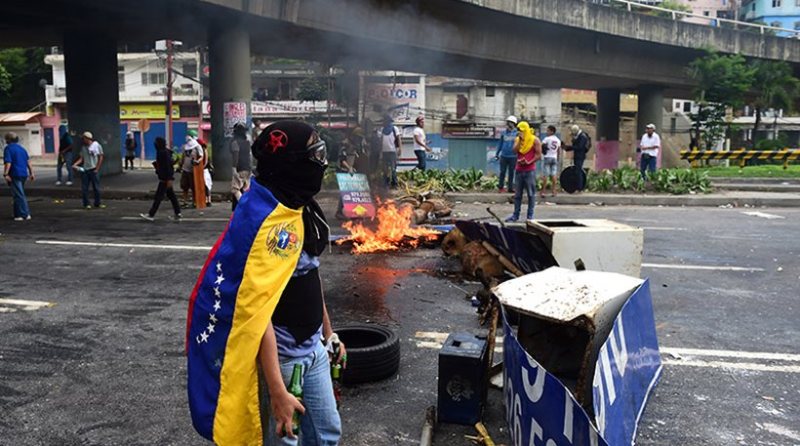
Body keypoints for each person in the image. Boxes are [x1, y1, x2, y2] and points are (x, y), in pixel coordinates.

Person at [186, 120, 345, 446]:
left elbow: (308, 276)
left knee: (328, 434)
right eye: (313, 155)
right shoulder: (264, 221)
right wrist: (277, 390)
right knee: (287, 441)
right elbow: (256, 312)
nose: (321, 162)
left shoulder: (297, 207)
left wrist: (329, 334)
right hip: (284, 361)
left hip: (314, 349)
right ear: (292, 163)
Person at [506, 121, 541, 223]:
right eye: (518, 130)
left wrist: (528, 162)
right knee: (517, 195)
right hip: (519, 170)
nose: (519, 132)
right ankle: (515, 215)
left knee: (531, 194)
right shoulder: (518, 139)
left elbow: (538, 155)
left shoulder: (535, 140)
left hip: (530, 170)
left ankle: (530, 216)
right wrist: (520, 140)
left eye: (521, 130)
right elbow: (514, 151)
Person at [140, 137, 182, 222]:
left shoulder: (162, 153)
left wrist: (169, 178)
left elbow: (167, 166)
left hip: (165, 178)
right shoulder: (164, 152)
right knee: (171, 196)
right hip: (166, 178)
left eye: (156, 142)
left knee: (158, 197)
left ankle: (151, 214)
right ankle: (178, 213)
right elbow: (169, 164)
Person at [3, 132, 34, 221]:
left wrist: (6, 174)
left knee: (19, 195)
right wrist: (31, 173)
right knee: (17, 194)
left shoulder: (8, 149)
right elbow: (28, 162)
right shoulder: (22, 149)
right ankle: (17, 214)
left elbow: (8, 162)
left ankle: (24, 214)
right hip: (23, 174)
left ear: (8, 140)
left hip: (14, 174)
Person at [72, 131, 104, 209]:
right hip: (85, 170)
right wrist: (75, 164)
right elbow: (82, 158)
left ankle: (97, 203)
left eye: (84, 139)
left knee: (96, 188)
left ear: (88, 139)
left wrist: (97, 168)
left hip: (93, 169)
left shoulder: (97, 146)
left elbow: (101, 157)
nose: (83, 140)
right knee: (84, 188)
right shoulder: (83, 148)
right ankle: (86, 203)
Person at [229, 122, 252, 211]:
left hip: (240, 168)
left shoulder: (235, 142)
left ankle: (244, 206)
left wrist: (234, 168)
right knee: (246, 189)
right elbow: (250, 156)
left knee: (235, 189)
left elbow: (236, 155)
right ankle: (248, 206)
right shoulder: (247, 142)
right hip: (248, 168)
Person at [494, 116, 519, 193]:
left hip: (513, 156)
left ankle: (510, 188)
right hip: (504, 156)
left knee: (512, 173)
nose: (508, 124)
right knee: (502, 172)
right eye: (508, 122)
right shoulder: (503, 133)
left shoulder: (517, 133)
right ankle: (500, 187)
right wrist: (497, 154)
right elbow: (500, 144)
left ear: (513, 124)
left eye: (510, 122)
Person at [563, 124, 590, 192]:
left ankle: (579, 188)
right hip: (577, 155)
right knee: (576, 171)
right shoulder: (579, 136)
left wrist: (569, 147)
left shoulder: (582, 137)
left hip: (580, 156)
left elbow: (579, 147)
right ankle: (577, 187)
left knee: (578, 171)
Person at [379, 115, 401, 188]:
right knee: (385, 169)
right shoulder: (382, 129)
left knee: (393, 168)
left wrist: (400, 149)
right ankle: (386, 183)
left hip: (392, 151)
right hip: (385, 152)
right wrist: (381, 151)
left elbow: (398, 139)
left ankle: (394, 183)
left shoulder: (395, 129)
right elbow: (381, 140)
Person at [180, 130, 202, 204]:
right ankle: (185, 201)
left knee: (193, 187)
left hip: (193, 170)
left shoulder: (197, 146)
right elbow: (183, 157)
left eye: (189, 136)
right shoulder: (185, 146)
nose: (187, 137)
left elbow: (201, 156)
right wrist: (180, 165)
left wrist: (198, 161)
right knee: (184, 186)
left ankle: (195, 201)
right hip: (185, 169)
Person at [540, 125, 561, 198]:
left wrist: (543, 152)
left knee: (546, 175)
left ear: (552, 131)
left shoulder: (546, 139)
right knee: (554, 175)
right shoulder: (558, 140)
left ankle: (543, 192)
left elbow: (541, 146)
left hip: (547, 157)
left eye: (548, 130)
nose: (547, 132)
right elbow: (558, 150)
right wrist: (558, 159)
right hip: (554, 157)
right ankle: (554, 191)